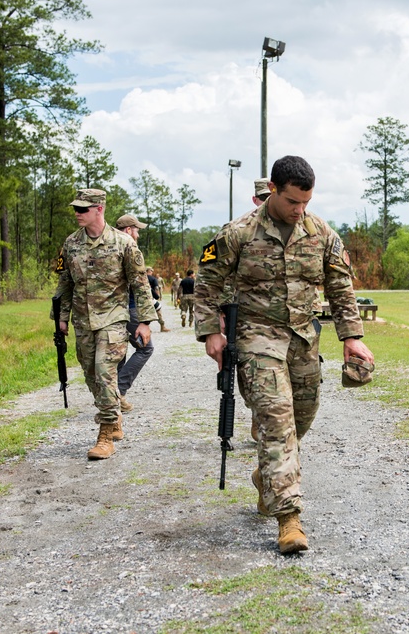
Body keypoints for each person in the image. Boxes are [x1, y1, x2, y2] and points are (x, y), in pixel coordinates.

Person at [194, 155, 375, 554]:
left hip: (303, 339)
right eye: (293, 202)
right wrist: (210, 331)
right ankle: (289, 520)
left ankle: (268, 475)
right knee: (277, 419)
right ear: (272, 191)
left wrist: (352, 337)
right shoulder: (239, 232)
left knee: (302, 416)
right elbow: (207, 281)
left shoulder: (320, 231)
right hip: (257, 336)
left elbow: (340, 285)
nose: (299, 210)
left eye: (306, 203)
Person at [53, 191, 157, 460]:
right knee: (91, 375)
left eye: (83, 209)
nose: (77, 213)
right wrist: (61, 317)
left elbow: (140, 284)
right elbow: (65, 283)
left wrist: (145, 322)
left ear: (99, 209)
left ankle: (106, 434)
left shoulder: (124, 244)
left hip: (113, 319)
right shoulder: (70, 244)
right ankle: (113, 414)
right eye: (75, 208)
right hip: (83, 320)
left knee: (104, 372)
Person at [112, 214, 159, 414]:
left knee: (119, 352)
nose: (138, 234)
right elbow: (139, 284)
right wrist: (146, 317)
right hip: (130, 308)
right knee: (145, 348)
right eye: (137, 230)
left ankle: (114, 397)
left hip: (111, 311)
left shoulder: (109, 247)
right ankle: (119, 392)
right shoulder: (129, 247)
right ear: (129, 230)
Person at [146, 266, 171, 332]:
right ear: (150, 271)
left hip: (142, 299)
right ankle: (162, 326)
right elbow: (156, 288)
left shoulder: (141, 279)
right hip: (151, 298)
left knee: (146, 313)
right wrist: (157, 296)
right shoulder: (153, 279)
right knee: (158, 310)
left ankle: (148, 328)